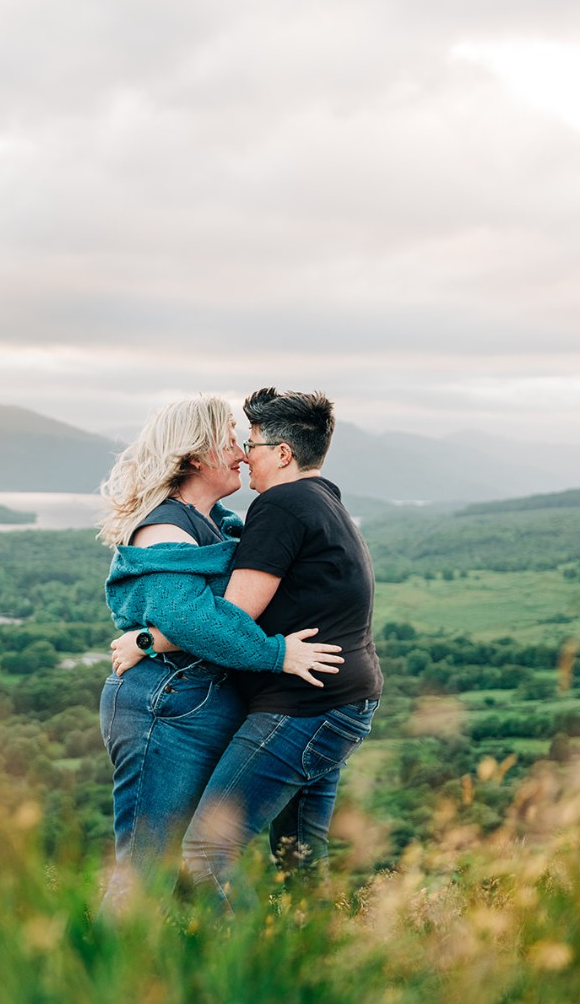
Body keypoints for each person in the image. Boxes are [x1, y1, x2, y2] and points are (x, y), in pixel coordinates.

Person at [97, 394, 342, 913]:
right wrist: (277, 655)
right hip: (163, 707)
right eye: (228, 439)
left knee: (190, 868)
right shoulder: (164, 527)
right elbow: (198, 621)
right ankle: (101, 982)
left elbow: (202, 613)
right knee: (147, 869)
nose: (239, 450)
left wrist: (149, 638)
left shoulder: (218, 524)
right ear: (193, 456)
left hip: (197, 703)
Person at [178, 387, 383, 914]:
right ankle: (317, 968)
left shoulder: (281, 504)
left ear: (284, 454)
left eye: (253, 443)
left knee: (206, 853)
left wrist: (146, 640)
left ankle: (252, 972)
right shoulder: (325, 500)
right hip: (342, 701)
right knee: (299, 859)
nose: (246, 455)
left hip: (303, 708)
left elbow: (229, 620)